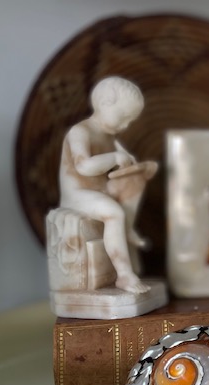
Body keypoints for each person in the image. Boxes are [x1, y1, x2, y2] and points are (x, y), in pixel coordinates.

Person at [58, 76, 150, 294]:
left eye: (130, 121)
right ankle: (124, 276)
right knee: (114, 212)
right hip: (78, 193)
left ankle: (126, 228)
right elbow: (84, 167)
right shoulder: (80, 132)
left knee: (139, 177)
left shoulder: (110, 137)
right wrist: (115, 158)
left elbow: (123, 162)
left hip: (100, 190)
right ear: (105, 103)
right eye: (123, 117)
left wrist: (133, 168)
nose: (125, 125)